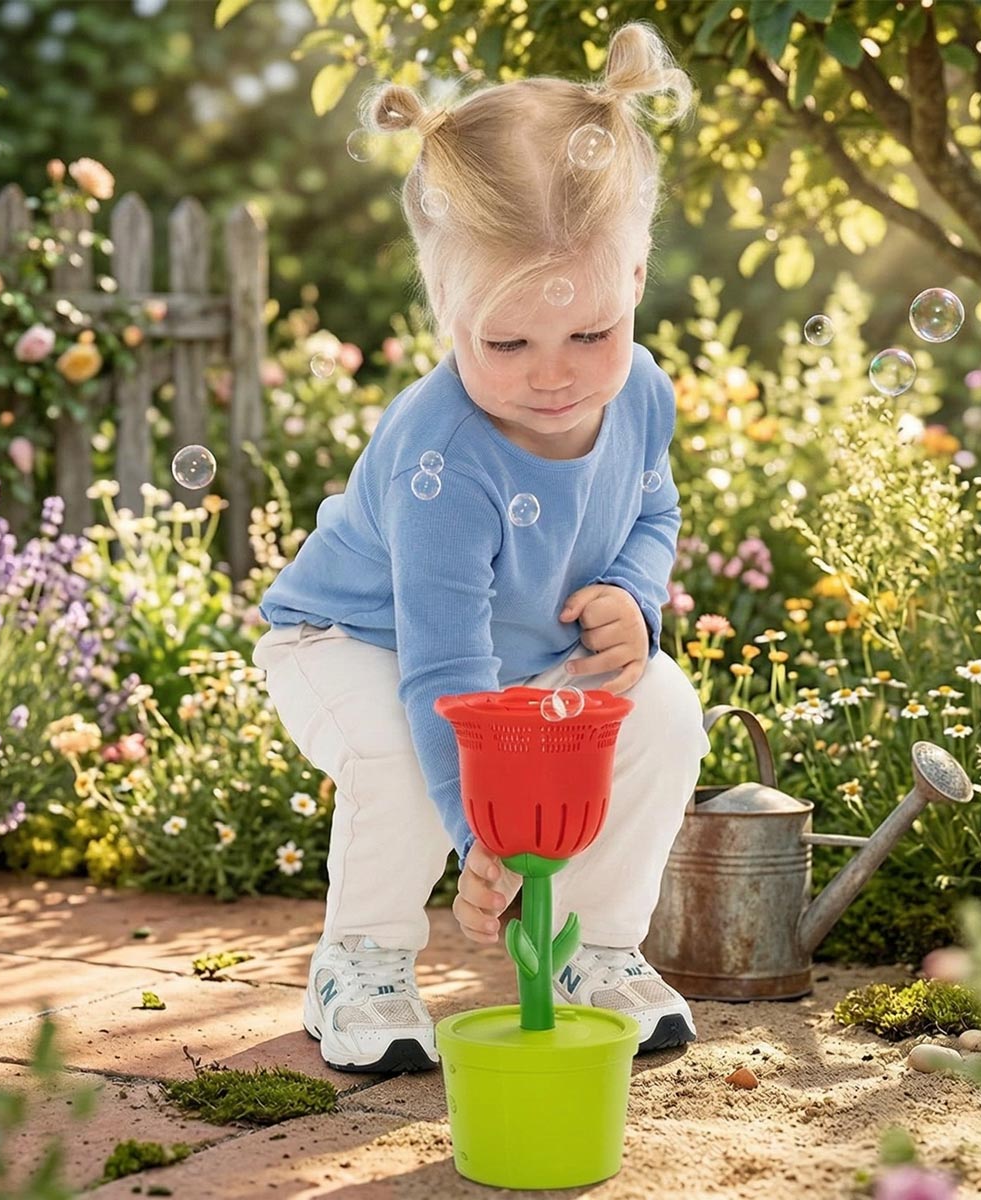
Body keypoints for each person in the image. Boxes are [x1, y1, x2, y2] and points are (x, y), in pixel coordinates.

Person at [253, 20, 712, 1074]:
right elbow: (440, 670)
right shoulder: (443, 457)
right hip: (355, 644)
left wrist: (634, 594)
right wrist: (485, 836)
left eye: (590, 333)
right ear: (446, 310)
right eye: (507, 342)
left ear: (636, 277)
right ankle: (361, 963)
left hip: (508, 661)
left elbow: (654, 510)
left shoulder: (642, 394)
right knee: (399, 752)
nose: (554, 374)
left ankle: (593, 948)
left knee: (661, 711)